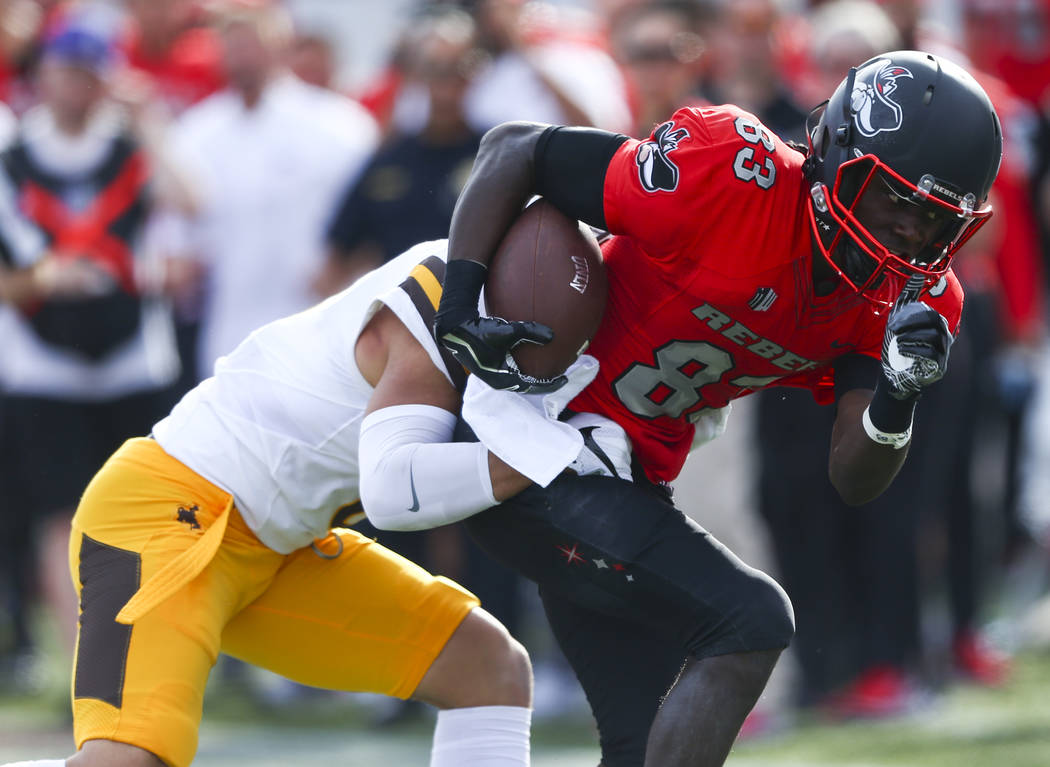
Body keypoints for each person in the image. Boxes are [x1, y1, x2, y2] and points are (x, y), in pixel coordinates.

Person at [428, 50, 1003, 766]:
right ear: (838, 157)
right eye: (897, 203)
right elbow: (515, 150)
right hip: (534, 440)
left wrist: (898, 391)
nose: (912, 236)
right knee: (752, 620)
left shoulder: (911, 299)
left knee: (643, 745)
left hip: (619, 484)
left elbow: (855, 478)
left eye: (935, 221)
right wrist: (459, 304)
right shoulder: (734, 173)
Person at [0, 229, 635, 766]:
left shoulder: (482, 285)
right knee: (128, 757)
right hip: (169, 512)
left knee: (487, 668)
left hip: (277, 545)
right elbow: (395, 495)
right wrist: (551, 454)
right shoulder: (426, 318)